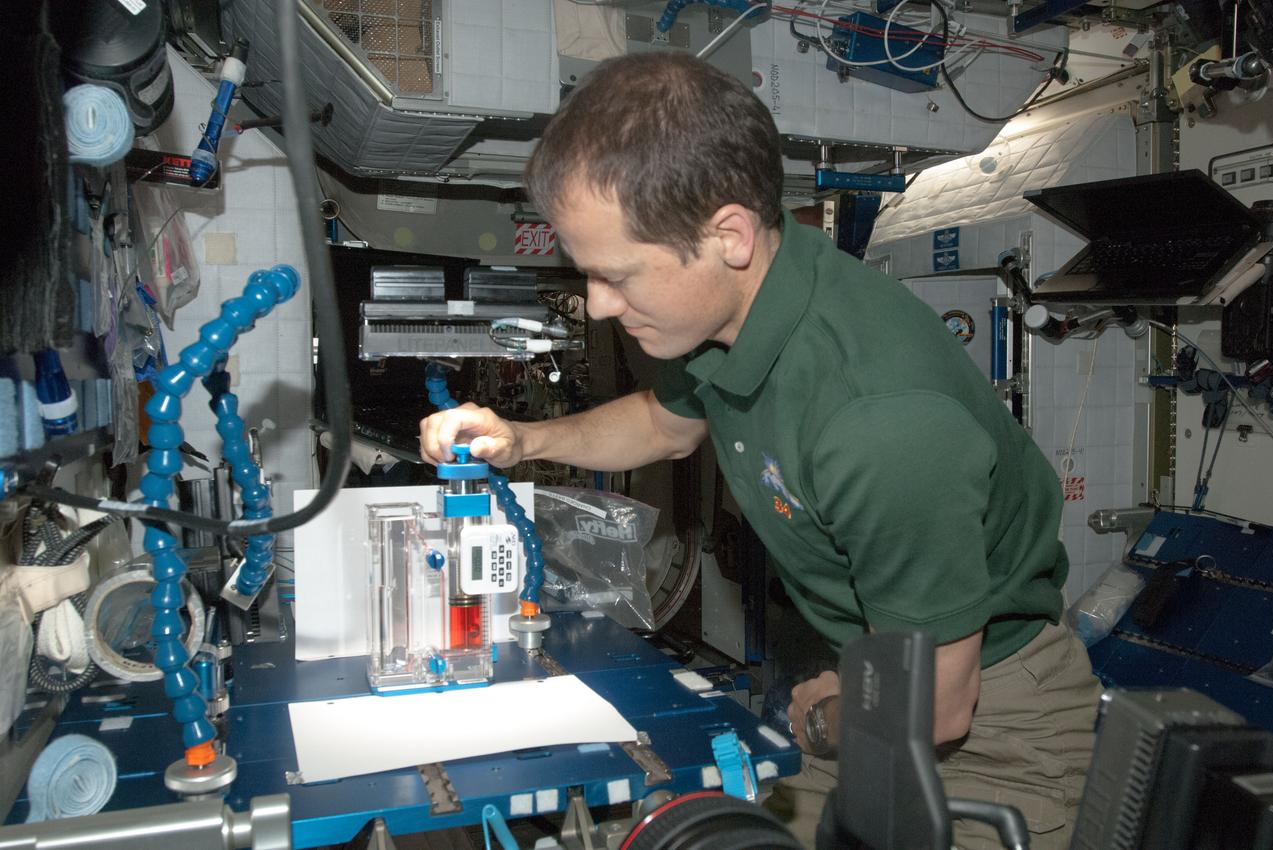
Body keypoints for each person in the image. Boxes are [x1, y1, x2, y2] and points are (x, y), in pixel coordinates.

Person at [419, 52, 1101, 850]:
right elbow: (668, 422)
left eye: (617, 276)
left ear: (729, 236)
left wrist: (817, 716)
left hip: (989, 733)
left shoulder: (879, 424)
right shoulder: (741, 310)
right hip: (883, 685)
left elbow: (940, 709)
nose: (600, 306)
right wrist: (524, 438)